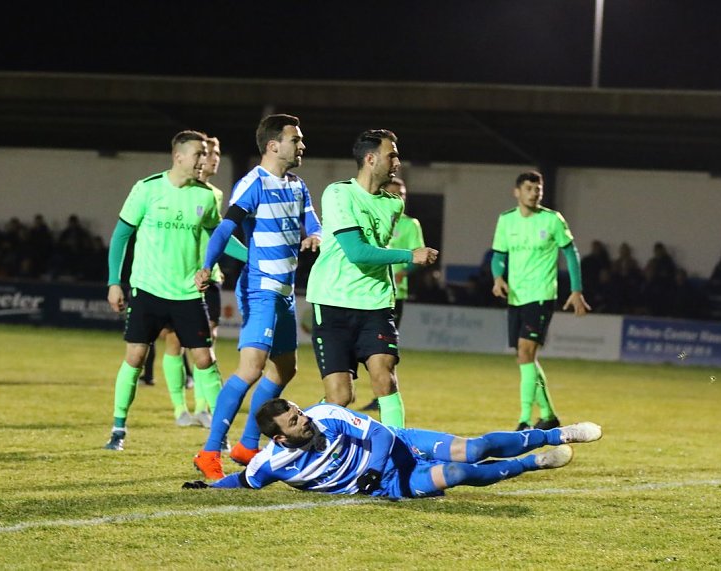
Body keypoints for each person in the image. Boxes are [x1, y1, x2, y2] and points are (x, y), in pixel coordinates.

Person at [192, 114, 322, 480]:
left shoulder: (298, 185)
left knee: (286, 369)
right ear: (273, 145)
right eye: (295, 139)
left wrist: (316, 236)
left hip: (284, 291)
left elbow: (314, 224)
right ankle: (209, 451)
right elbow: (224, 230)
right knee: (250, 369)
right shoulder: (253, 184)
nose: (302, 145)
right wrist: (207, 266)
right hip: (261, 288)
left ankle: (248, 445)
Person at [103, 130, 245, 451]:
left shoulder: (206, 196)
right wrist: (114, 281)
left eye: (206, 153)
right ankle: (118, 429)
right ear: (178, 157)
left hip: (187, 294)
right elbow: (121, 236)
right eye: (198, 154)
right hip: (148, 290)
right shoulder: (146, 189)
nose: (203, 160)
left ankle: (219, 434)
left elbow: (220, 237)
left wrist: (256, 258)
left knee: (205, 360)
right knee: (136, 357)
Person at [182, 398, 603, 496]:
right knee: (457, 474)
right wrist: (209, 488)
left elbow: (381, 433)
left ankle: (557, 434)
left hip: (398, 448)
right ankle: (535, 464)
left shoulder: (326, 413)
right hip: (391, 485)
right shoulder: (273, 463)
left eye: (299, 412)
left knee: (473, 450)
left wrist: (369, 468)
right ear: (279, 439)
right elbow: (245, 480)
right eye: (294, 421)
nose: (304, 419)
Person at [304, 129, 438, 431]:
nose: (397, 161)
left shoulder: (393, 204)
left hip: (376, 302)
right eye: (391, 154)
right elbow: (356, 252)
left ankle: (400, 450)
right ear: (370, 158)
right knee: (340, 396)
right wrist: (409, 255)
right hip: (333, 301)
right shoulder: (338, 193)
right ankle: (300, 433)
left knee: (385, 378)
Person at [141, 136, 231, 428]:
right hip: (177, 283)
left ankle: (204, 408)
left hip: (206, 281)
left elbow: (214, 236)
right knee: (174, 342)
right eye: (209, 153)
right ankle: (180, 409)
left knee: (206, 347)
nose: (213, 159)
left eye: (216, 154)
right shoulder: (165, 190)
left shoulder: (212, 194)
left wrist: (211, 266)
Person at [491, 171, 590, 432]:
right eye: (529, 188)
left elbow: (571, 254)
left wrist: (576, 289)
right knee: (525, 358)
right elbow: (498, 255)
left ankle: (524, 420)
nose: (535, 193)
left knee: (525, 353)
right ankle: (548, 415)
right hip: (516, 296)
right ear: (517, 192)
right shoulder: (506, 220)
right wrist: (497, 277)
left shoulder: (552, 220)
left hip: (542, 295)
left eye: (538, 189)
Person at [360, 177, 425, 412]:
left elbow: (418, 255)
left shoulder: (410, 225)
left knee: (385, 348)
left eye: (404, 194)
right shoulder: (373, 218)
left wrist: (404, 272)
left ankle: (383, 394)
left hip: (395, 294)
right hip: (368, 289)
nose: (401, 198)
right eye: (396, 193)